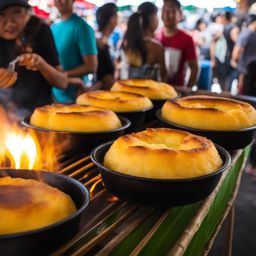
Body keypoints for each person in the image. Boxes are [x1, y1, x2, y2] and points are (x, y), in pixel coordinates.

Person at [0, 0, 68, 120]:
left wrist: (41, 64)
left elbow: (62, 82)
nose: (10, 23)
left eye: (17, 12)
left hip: (39, 117)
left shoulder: (41, 32)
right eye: (1, 14)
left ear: (28, 14)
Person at [51, 0, 98, 103]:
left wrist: (61, 76)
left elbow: (91, 66)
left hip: (74, 97)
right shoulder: (53, 28)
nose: (59, 1)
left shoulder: (82, 28)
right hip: (53, 95)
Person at [119, 2, 167, 81]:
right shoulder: (156, 47)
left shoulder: (126, 42)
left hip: (127, 90)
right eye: (157, 16)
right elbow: (164, 76)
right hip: (149, 92)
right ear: (152, 18)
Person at [156, 0, 198, 87]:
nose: (167, 14)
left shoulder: (187, 39)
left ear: (180, 14)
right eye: (164, 10)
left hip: (177, 90)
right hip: (157, 89)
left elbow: (194, 67)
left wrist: (188, 90)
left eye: (171, 11)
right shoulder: (155, 37)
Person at [210, 11, 239, 91]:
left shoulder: (221, 29)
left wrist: (213, 59)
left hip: (221, 60)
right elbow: (238, 44)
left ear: (224, 18)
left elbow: (212, 43)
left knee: (223, 84)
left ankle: (224, 98)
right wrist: (234, 58)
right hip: (228, 61)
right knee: (227, 84)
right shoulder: (233, 28)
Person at [94, 3, 118, 90]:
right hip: (101, 94)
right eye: (116, 16)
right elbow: (106, 77)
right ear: (112, 19)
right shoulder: (102, 44)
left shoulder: (99, 39)